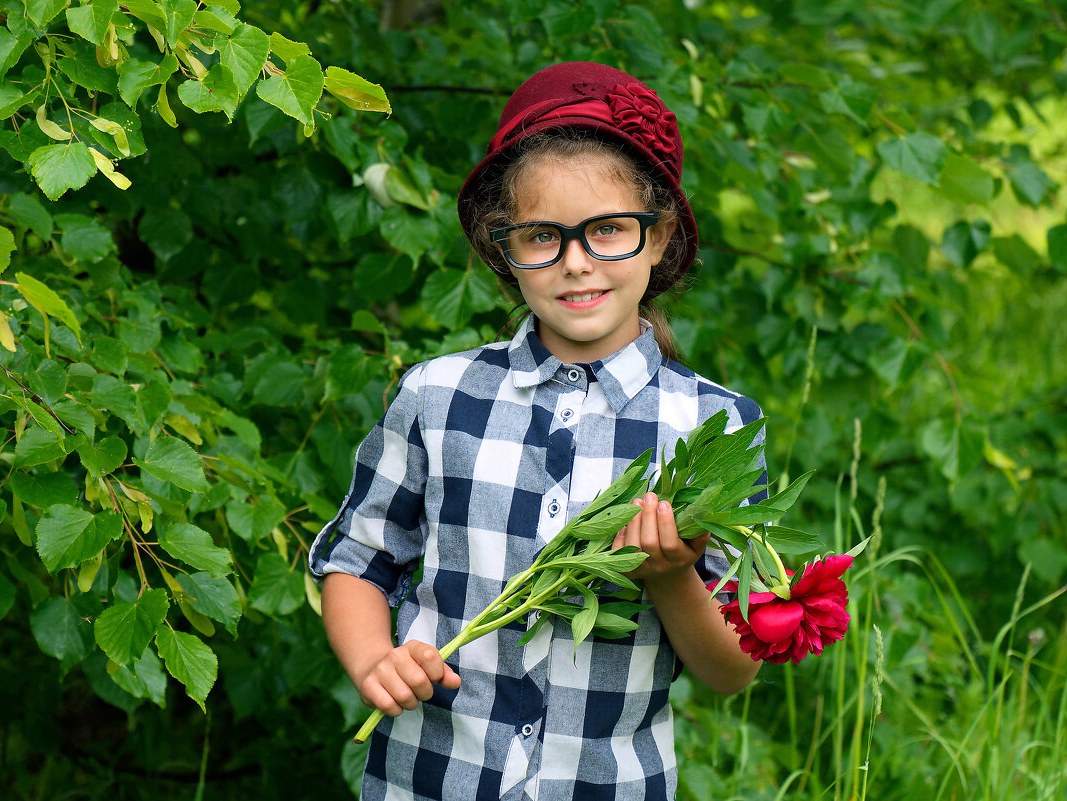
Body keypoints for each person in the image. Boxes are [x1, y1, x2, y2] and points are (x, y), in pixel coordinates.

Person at [311, 61, 765, 801]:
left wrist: (673, 573)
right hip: (430, 781)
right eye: (542, 237)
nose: (576, 262)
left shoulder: (714, 426)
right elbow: (358, 558)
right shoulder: (437, 394)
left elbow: (732, 668)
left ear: (660, 236)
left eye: (609, 230)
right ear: (503, 248)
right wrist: (372, 660)